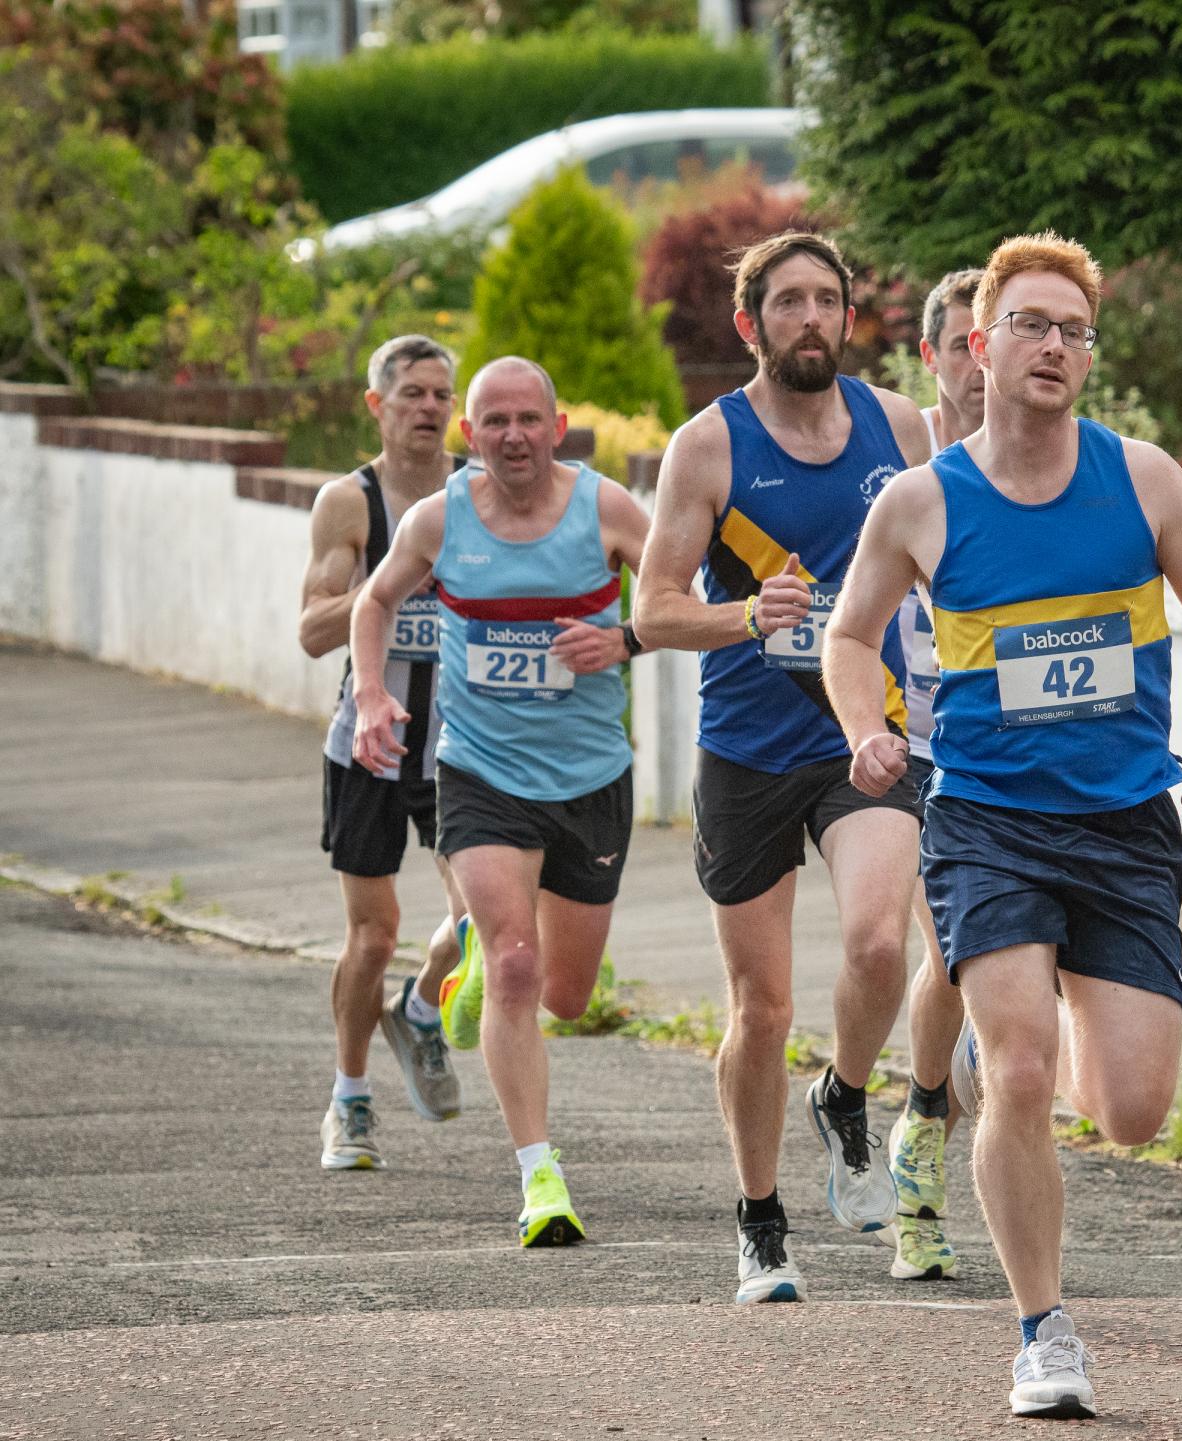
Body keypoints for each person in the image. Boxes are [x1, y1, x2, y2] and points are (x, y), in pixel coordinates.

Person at [824, 232, 1182, 1418]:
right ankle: (1042, 1331)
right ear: (981, 343)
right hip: (987, 820)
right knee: (1021, 1071)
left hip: (1125, 823)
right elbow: (849, 634)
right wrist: (869, 726)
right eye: (1032, 324)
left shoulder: (1144, 479)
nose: (1055, 345)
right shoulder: (923, 501)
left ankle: (1004, 1036)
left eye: (1075, 329)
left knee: (1129, 1110)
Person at [632, 232, 929, 1304]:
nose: (812, 317)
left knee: (879, 940)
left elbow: (952, 554)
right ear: (751, 325)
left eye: (829, 299)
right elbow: (652, 611)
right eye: (789, 302)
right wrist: (743, 613)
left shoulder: (900, 425)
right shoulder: (708, 447)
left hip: (867, 734)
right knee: (760, 1009)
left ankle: (845, 1095)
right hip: (748, 746)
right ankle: (760, 1218)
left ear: (849, 317)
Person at [351, 356, 651, 1247]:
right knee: (518, 970)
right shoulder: (438, 521)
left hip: (593, 777)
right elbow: (372, 601)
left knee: (565, 993)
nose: (513, 436)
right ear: (467, 435)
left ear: (557, 428)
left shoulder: (608, 511)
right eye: (494, 422)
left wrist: (625, 639)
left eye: (529, 420)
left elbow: (684, 596)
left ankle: (479, 945)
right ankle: (540, 1177)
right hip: (479, 772)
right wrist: (372, 695)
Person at [297, 334, 469, 1170]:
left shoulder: (478, 491)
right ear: (378, 405)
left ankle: (424, 1010)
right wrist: (390, 584)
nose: (430, 409)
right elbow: (310, 630)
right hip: (369, 739)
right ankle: (349, 1099)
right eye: (413, 395)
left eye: (442, 395)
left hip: (462, 743)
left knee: (481, 916)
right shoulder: (351, 502)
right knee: (372, 935)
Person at [883, 266, 985, 1283]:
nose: (980, 364)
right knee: (952, 948)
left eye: (991, 341)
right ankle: (921, 1128)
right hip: (908, 749)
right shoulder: (898, 467)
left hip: (1012, 749)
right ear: (934, 355)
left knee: (984, 965)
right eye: (962, 344)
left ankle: (949, 1088)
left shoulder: (1050, 466)